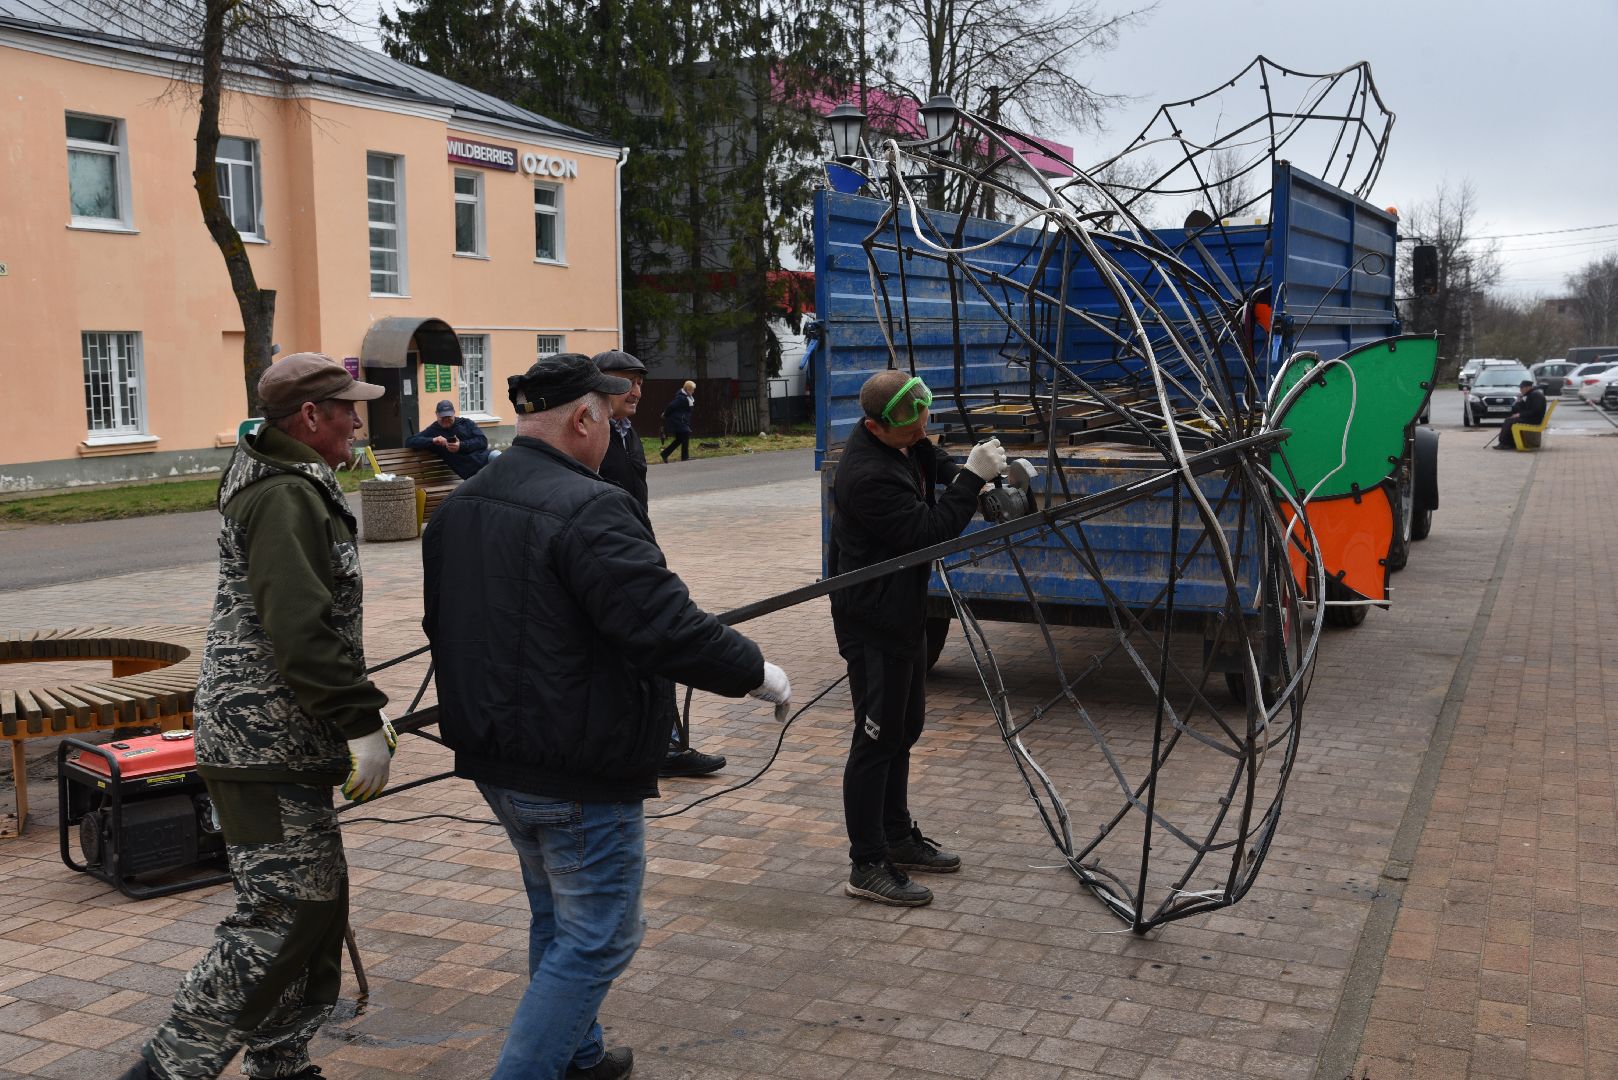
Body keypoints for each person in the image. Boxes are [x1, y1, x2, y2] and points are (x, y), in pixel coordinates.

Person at [422, 353, 791, 1080]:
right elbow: (666, 626)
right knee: (598, 939)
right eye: (609, 416)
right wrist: (758, 672)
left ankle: (578, 1055)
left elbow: (451, 626)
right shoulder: (589, 505)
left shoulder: (462, 503)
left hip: (499, 757)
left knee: (558, 919)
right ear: (586, 416)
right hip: (576, 767)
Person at [120, 353, 395, 1080]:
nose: (359, 421)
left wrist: (350, 715)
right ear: (311, 418)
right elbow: (299, 629)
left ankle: (282, 1063)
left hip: (281, 737)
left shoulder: (297, 482)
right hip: (259, 740)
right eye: (349, 409)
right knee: (282, 918)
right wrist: (360, 719)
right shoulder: (283, 496)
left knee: (316, 912)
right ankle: (166, 1066)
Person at [829, 369, 1005, 907]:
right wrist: (971, 484)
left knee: (905, 729)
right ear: (875, 426)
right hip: (873, 623)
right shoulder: (865, 476)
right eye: (909, 423)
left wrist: (982, 476)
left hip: (902, 614)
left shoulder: (905, 444)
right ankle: (867, 863)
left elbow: (934, 462)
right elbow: (924, 533)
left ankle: (897, 835)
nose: (921, 429)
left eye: (924, 417)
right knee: (876, 739)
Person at [593, 349, 727, 778]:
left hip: (637, 553)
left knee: (655, 650)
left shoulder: (627, 433)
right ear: (598, 386)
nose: (636, 390)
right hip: (605, 564)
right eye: (625, 381)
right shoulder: (590, 437)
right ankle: (654, 745)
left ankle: (667, 745)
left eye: (639, 381)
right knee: (645, 650)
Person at [406, 399, 492, 478]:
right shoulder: (433, 430)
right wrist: (432, 440)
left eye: (448, 416)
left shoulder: (466, 423)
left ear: (454, 413)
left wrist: (460, 446)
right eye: (443, 417)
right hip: (473, 472)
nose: (446, 419)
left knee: (501, 458)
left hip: (487, 458)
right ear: (437, 414)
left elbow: (483, 441)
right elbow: (409, 441)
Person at [1496, 378, 1547, 449]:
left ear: (1528, 387)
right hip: (1530, 418)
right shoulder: (1528, 395)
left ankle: (1506, 443)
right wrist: (1518, 401)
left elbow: (1535, 411)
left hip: (1534, 420)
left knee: (1509, 421)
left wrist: (1520, 415)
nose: (1520, 390)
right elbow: (1516, 409)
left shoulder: (1536, 395)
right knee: (1509, 419)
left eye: (1522, 388)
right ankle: (1508, 442)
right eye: (1520, 388)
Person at [660, 379, 696, 463]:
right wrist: (665, 414)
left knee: (681, 438)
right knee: (685, 435)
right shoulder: (681, 398)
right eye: (692, 389)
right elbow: (671, 406)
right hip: (678, 421)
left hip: (682, 421)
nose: (693, 391)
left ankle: (666, 454)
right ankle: (683, 456)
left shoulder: (687, 398)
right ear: (687, 389)